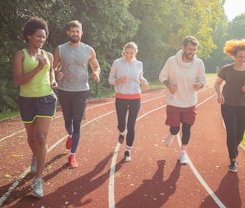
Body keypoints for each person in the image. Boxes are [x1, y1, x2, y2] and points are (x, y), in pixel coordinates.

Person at [12, 16, 57, 198]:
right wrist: (39, 68)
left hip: (46, 98)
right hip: (27, 100)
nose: (41, 40)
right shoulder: (20, 55)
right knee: (31, 138)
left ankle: (38, 179)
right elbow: (18, 81)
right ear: (29, 36)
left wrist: (53, 79)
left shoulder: (49, 56)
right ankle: (36, 156)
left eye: (44, 37)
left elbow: (51, 69)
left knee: (41, 137)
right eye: (38, 36)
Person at [53, 20, 100, 168]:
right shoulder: (60, 49)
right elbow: (52, 68)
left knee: (77, 122)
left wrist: (96, 73)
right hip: (65, 89)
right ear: (68, 33)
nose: (75, 34)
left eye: (77, 31)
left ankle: (72, 155)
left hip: (81, 90)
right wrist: (57, 73)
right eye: (72, 31)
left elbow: (96, 66)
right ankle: (70, 135)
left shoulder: (89, 50)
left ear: (81, 33)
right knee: (68, 121)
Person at [214, 38, 245, 173]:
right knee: (231, 132)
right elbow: (217, 83)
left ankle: (235, 147)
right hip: (228, 105)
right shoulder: (226, 69)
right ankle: (232, 160)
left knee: (240, 134)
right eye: (240, 56)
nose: (243, 59)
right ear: (234, 56)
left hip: (244, 106)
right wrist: (219, 95)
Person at [159, 35, 206, 165]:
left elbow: (203, 80)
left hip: (190, 102)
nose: (192, 52)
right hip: (174, 101)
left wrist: (200, 85)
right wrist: (168, 84)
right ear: (183, 47)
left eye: (194, 50)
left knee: (187, 129)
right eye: (190, 49)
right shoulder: (172, 61)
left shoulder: (198, 63)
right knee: (175, 128)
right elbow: (162, 76)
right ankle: (171, 133)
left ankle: (183, 152)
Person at [108, 42, 149, 162]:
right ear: (123, 52)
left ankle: (128, 151)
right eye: (127, 53)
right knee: (122, 124)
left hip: (135, 97)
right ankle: (121, 132)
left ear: (135, 53)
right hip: (121, 97)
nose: (129, 55)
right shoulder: (117, 63)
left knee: (131, 125)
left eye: (131, 53)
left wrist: (144, 82)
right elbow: (110, 79)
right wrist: (119, 81)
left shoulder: (139, 64)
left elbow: (140, 77)